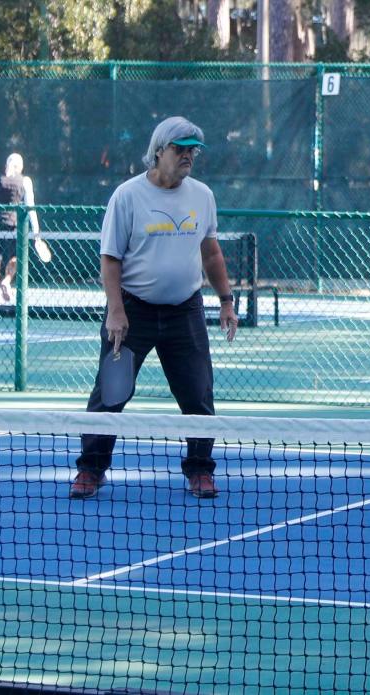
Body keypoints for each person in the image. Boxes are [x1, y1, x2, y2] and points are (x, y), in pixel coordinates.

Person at [69, 116, 239, 500]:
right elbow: (110, 259)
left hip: (186, 312)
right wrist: (116, 310)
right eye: (180, 149)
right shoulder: (127, 196)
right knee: (110, 396)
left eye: (192, 150)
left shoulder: (202, 196)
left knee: (198, 395)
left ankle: (200, 471)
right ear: (158, 151)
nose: (188, 157)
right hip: (133, 312)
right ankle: (91, 470)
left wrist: (226, 301)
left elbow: (211, 253)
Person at [0, 153, 40, 304]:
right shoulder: (25, 181)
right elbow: (30, 207)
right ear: (20, 166)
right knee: (17, 257)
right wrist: (36, 231)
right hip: (16, 226)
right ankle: (7, 281)